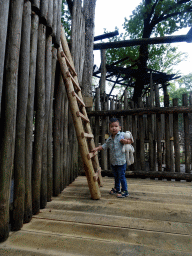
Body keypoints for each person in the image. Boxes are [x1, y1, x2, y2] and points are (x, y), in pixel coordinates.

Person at [91, 117, 133, 198]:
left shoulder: (122, 135)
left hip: (121, 162)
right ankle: (117, 189)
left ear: (120, 128)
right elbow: (104, 146)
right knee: (116, 176)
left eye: (116, 126)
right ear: (109, 128)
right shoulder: (109, 139)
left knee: (121, 176)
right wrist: (96, 148)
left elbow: (131, 140)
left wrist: (127, 141)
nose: (114, 128)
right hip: (113, 162)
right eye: (112, 126)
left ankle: (125, 191)